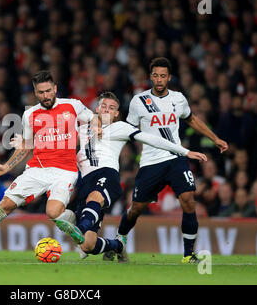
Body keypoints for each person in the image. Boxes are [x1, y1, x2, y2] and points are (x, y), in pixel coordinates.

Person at [0, 70, 96, 261]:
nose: (46, 96)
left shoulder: (73, 105)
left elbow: (93, 118)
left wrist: (96, 128)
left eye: (48, 91)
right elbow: (26, 145)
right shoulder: (30, 114)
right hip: (36, 170)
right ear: (35, 93)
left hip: (65, 171)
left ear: (55, 89)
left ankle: (74, 228)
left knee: (53, 212)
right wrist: (7, 166)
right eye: (41, 92)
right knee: (4, 206)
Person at [116, 57, 229, 264]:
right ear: (151, 77)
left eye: (163, 76)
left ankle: (188, 254)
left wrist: (215, 139)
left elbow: (192, 119)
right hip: (150, 162)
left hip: (176, 158)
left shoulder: (178, 99)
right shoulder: (138, 101)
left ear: (169, 77)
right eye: (155, 75)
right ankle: (120, 238)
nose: (159, 80)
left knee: (188, 200)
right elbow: (128, 131)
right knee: (136, 209)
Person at [75, 92, 207, 260]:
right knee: (88, 245)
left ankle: (79, 227)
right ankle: (117, 245)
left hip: (107, 175)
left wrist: (184, 151)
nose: (107, 110)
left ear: (117, 114)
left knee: (94, 199)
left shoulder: (121, 127)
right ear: (97, 108)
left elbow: (153, 139)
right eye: (104, 106)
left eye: (112, 108)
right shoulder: (82, 126)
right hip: (85, 180)